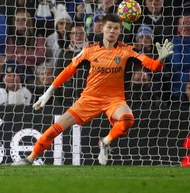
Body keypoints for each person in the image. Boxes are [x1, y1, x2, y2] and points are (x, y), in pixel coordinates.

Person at [14, 14, 174, 166]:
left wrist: (160, 59)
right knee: (54, 130)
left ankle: (105, 141)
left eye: (116, 28)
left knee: (127, 120)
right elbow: (68, 70)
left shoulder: (127, 51)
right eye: (109, 27)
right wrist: (49, 92)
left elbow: (153, 66)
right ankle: (30, 158)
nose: (112, 31)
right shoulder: (89, 50)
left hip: (114, 99)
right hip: (88, 99)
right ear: (102, 28)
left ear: (120, 31)